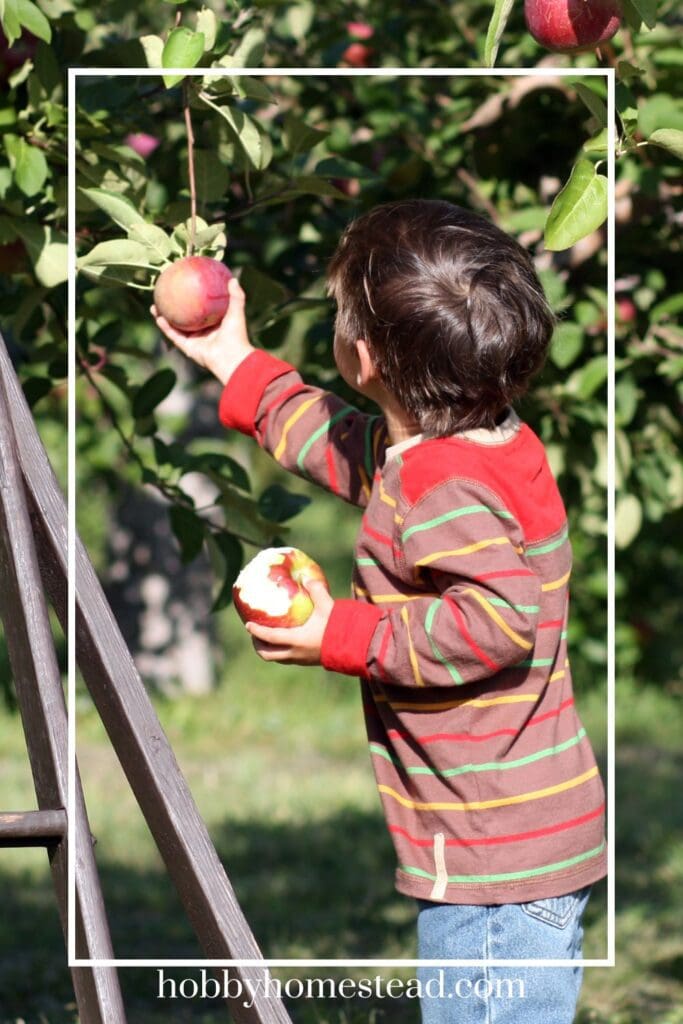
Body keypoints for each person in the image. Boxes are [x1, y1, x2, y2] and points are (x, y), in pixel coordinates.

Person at [152, 199, 607, 1022]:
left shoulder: (445, 488)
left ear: (360, 355)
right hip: (506, 840)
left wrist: (340, 633)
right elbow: (344, 446)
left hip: (494, 864)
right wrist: (236, 360)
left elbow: (497, 622)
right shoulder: (469, 448)